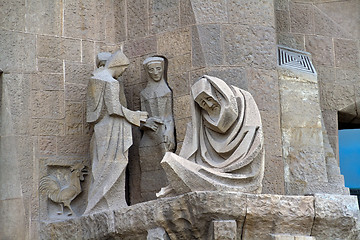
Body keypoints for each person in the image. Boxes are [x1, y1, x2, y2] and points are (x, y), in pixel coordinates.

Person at [157, 75, 264, 197]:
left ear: (219, 92)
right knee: (171, 160)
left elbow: (254, 144)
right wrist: (174, 186)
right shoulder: (200, 122)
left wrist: (228, 168)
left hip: (242, 176)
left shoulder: (244, 102)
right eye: (203, 103)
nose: (209, 104)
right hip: (207, 171)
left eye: (209, 98)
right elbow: (188, 155)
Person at [84, 49, 147, 214]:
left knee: (101, 165)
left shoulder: (95, 79)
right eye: (123, 69)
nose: (122, 73)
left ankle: (98, 203)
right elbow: (114, 109)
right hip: (113, 127)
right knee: (113, 164)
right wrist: (135, 116)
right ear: (118, 65)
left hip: (100, 127)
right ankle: (109, 204)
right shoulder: (111, 82)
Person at [139, 56, 176, 201]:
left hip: (163, 132)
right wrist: (145, 123)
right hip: (149, 136)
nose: (155, 73)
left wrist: (170, 131)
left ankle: (167, 193)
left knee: (165, 161)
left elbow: (169, 115)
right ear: (147, 72)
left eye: (159, 69)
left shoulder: (166, 91)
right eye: (152, 70)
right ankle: (147, 197)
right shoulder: (144, 93)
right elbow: (141, 118)